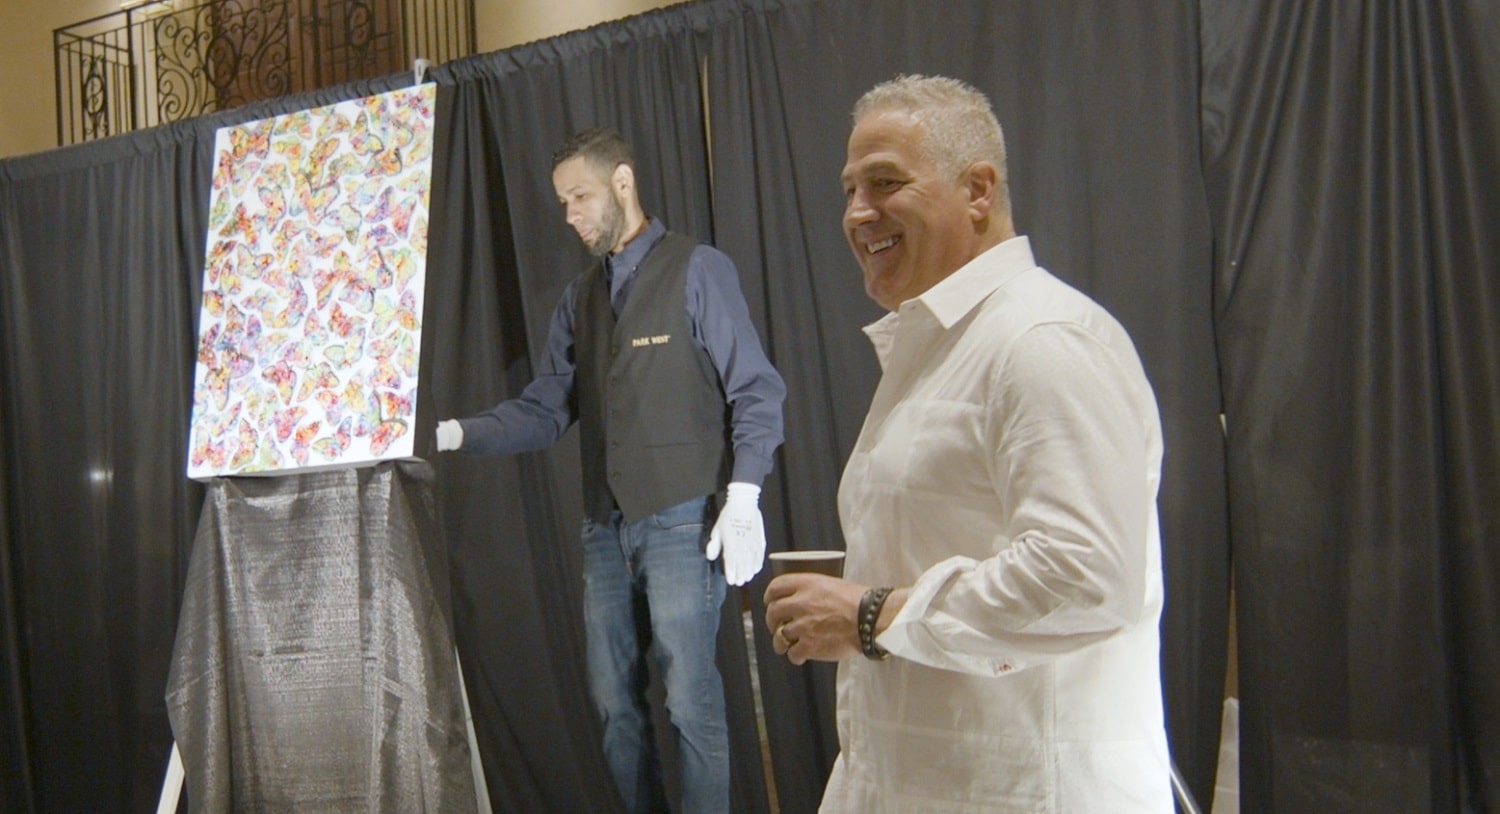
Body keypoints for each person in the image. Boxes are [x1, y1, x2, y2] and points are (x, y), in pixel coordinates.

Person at [763, 75, 1173, 812]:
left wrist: (869, 616)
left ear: (978, 190)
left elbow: (1084, 575)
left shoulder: (1042, 340)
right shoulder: (948, 349)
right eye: (850, 188)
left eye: (885, 182)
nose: (858, 212)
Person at [436, 127, 786, 814]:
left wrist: (743, 494)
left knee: (690, 699)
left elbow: (757, 388)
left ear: (622, 182)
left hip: (687, 518)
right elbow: (544, 408)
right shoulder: (579, 299)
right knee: (612, 707)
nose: (570, 215)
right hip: (605, 529)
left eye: (580, 196)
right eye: (563, 202)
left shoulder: (697, 268)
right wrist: (453, 434)